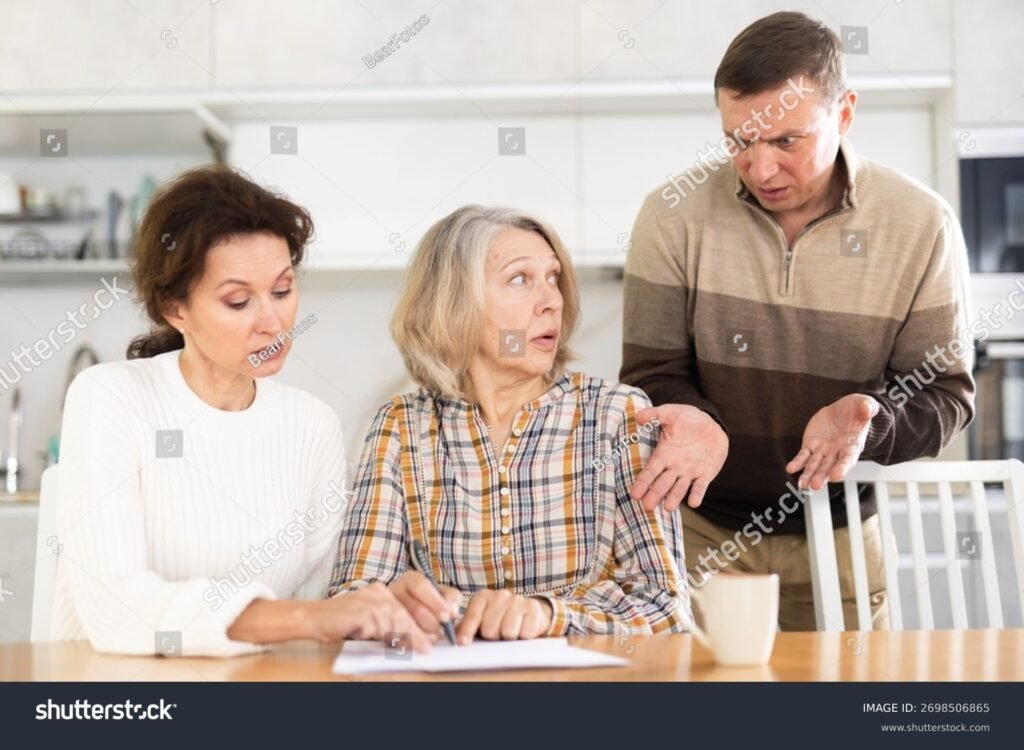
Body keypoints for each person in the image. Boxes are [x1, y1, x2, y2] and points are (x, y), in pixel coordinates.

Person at [620, 11, 975, 630]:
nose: (759, 169)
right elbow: (651, 373)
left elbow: (946, 397)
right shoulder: (671, 216)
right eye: (738, 141)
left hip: (839, 537)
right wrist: (697, 420)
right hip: (701, 534)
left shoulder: (922, 225)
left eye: (786, 141)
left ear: (843, 114)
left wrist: (872, 423)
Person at [53, 166, 434, 656]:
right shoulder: (110, 397)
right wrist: (307, 617)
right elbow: (116, 610)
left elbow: (320, 606)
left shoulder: (311, 424)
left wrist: (376, 604)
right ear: (175, 309)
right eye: (238, 301)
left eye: (282, 290)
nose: (273, 322)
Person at [329, 205, 690, 641]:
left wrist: (545, 615)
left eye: (553, 278)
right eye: (520, 279)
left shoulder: (618, 416)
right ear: (455, 302)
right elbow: (351, 598)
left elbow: (664, 607)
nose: (552, 301)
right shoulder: (401, 426)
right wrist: (394, 604)